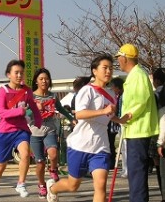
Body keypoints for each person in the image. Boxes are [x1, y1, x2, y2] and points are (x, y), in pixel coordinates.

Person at [46, 54, 131, 202]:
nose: (108, 71)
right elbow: (79, 114)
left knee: (100, 185)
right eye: (104, 68)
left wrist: (120, 119)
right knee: (73, 185)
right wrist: (103, 111)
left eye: (111, 68)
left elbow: (108, 116)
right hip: (80, 145)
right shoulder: (87, 91)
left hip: (100, 147)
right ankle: (52, 188)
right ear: (94, 71)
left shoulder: (111, 93)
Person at [0, 59, 42, 202]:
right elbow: (1, 113)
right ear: (9, 75)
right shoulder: (3, 91)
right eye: (16, 73)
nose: (19, 75)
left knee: (25, 155)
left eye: (21, 73)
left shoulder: (27, 91)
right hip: (5, 131)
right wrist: (19, 111)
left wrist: (38, 120)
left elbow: (34, 107)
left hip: (21, 129)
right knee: (1, 165)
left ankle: (21, 183)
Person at [115, 43, 159, 202]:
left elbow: (140, 101)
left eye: (119, 57)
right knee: (135, 174)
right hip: (134, 130)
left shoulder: (138, 75)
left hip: (138, 130)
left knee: (137, 174)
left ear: (125, 58)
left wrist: (126, 117)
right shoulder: (135, 75)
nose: (118, 61)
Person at [29, 67, 75, 199]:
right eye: (41, 79)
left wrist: (72, 119)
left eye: (46, 79)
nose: (44, 81)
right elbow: (24, 113)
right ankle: (42, 185)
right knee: (40, 163)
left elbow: (61, 109)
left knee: (53, 154)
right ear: (36, 81)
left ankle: (53, 170)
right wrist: (34, 109)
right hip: (35, 131)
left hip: (50, 128)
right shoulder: (31, 96)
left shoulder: (53, 96)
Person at [109, 77, 127, 177]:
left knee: (125, 147)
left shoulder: (123, 96)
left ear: (117, 87)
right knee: (122, 148)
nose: (112, 89)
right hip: (119, 123)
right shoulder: (118, 96)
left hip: (123, 123)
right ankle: (125, 169)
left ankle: (127, 169)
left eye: (113, 87)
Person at [152, 68, 165, 199]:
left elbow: (160, 115)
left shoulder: (157, 94)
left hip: (159, 132)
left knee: (160, 167)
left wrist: (159, 141)